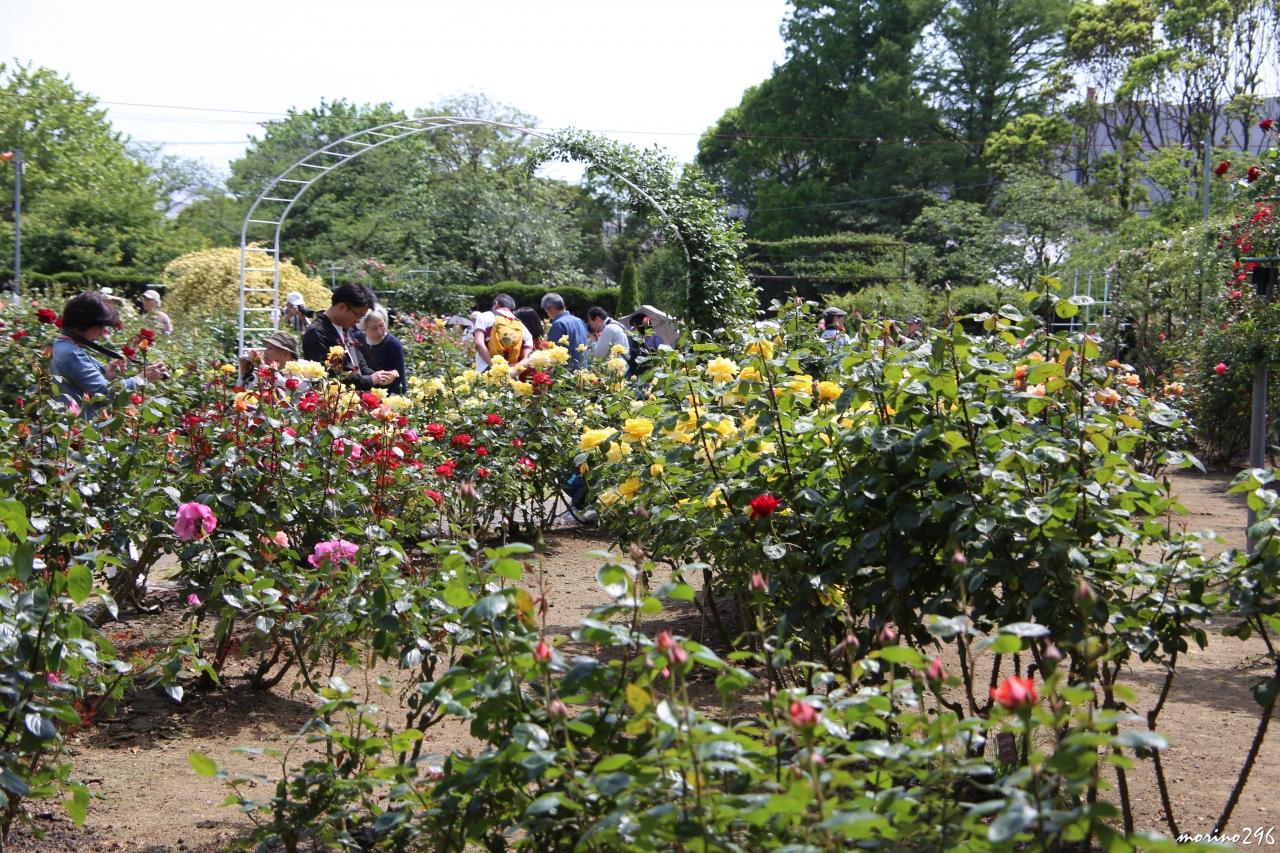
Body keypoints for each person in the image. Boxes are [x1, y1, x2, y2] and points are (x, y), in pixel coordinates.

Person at [50, 291, 167, 417]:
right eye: (100, 326)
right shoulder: (71, 353)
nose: (102, 333)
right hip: (81, 425)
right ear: (84, 323)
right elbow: (105, 394)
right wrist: (141, 379)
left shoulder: (62, 345)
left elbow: (80, 385)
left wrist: (106, 375)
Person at [301, 283, 397, 390]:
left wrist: (381, 377)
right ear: (342, 307)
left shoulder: (344, 328)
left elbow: (361, 368)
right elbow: (334, 376)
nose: (358, 321)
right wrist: (371, 379)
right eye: (358, 315)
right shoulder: (317, 333)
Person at [473, 293, 532, 371]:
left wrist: (494, 367)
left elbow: (479, 344)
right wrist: (512, 372)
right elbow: (527, 358)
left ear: (496, 304)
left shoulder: (485, 316)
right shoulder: (522, 327)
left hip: (486, 370)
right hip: (510, 372)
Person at [359, 305, 407, 394]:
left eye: (382, 325)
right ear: (364, 329)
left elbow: (400, 379)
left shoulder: (393, 344)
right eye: (374, 328)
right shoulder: (357, 340)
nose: (379, 331)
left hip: (386, 395)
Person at [540, 292, 589, 371]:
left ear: (552, 308)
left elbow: (553, 354)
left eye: (546, 311)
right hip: (582, 370)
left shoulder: (558, 324)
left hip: (566, 373)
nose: (547, 314)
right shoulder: (579, 320)